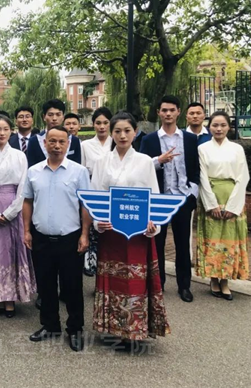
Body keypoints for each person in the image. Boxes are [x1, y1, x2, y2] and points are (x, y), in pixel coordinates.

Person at [91, 112, 170, 348]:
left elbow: (153, 195)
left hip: (137, 234)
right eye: (117, 131)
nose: (122, 135)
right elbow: (96, 196)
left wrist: (153, 223)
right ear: (111, 134)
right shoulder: (102, 162)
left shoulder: (145, 161)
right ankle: (112, 328)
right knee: (112, 280)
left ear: (135, 132)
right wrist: (97, 222)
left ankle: (134, 329)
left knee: (136, 281)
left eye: (127, 131)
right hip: (111, 233)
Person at [23, 126, 91, 352]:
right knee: (46, 285)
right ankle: (50, 325)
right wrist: (26, 230)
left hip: (70, 238)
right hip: (41, 237)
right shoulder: (33, 171)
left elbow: (85, 205)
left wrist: (85, 234)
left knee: (72, 286)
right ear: (45, 143)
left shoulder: (79, 172)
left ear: (68, 144)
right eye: (52, 141)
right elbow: (27, 201)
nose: (56, 146)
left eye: (61, 142)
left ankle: (75, 329)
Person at [140, 95, 200, 303]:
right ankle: (159, 284)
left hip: (183, 197)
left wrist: (193, 194)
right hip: (159, 199)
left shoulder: (190, 139)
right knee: (157, 243)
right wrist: (159, 160)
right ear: (159, 112)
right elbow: (142, 167)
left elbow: (195, 168)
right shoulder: (149, 140)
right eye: (164, 110)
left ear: (178, 112)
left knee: (183, 244)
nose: (168, 114)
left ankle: (184, 286)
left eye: (172, 110)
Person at [0, 115, 35, 317]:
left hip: (14, 205)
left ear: (11, 131)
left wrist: (12, 211)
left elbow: (24, 185)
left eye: (5, 129)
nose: (2, 133)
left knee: (12, 251)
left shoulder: (20, 156)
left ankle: (11, 298)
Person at [197, 111, 250, 300]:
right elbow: (202, 177)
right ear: (209, 127)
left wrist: (233, 206)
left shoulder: (237, 149)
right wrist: (211, 204)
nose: (218, 129)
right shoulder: (203, 148)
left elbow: (243, 176)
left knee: (229, 241)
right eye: (215, 125)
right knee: (212, 240)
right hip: (211, 194)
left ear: (229, 127)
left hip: (232, 195)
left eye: (222, 125)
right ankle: (213, 279)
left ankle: (225, 280)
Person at [80, 107, 113, 277]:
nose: (102, 126)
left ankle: (110, 274)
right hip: (93, 190)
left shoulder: (116, 142)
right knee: (93, 231)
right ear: (93, 124)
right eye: (98, 123)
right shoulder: (85, 145)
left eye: (105, 122)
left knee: (110, 233)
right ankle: (93, 268)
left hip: (113, 192)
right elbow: (82, 171)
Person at [27, 99, 82, 168]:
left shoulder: (74, 140)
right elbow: (31, 167)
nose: (54, 118)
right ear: (44, 117)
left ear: (63, 117)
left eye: (58, 114)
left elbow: (77, 166)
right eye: (50, 115)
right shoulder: (34, 141)